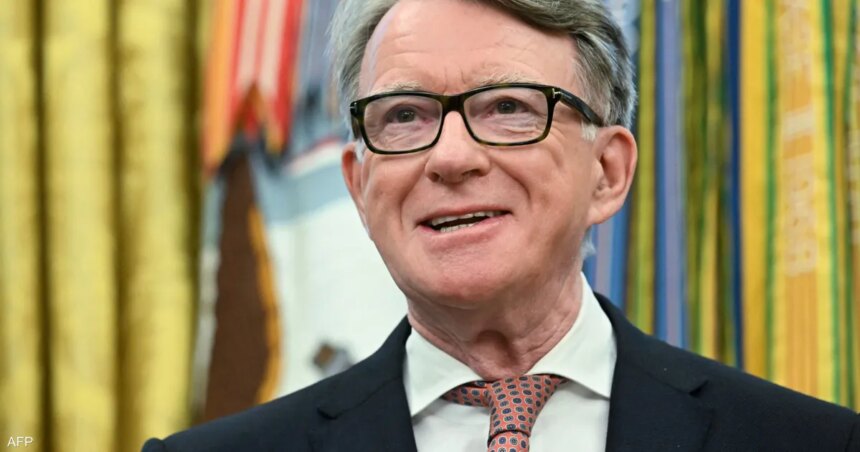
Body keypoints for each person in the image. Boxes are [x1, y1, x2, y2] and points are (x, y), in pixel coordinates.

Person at [143, 0, 860, 450]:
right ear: (360, 187)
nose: (451, 157)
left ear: (608, 172)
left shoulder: (809, 441)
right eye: (405, 116)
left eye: (508, 108)